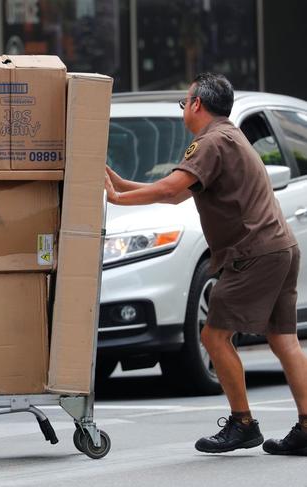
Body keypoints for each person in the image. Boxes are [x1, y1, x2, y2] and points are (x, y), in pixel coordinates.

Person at [104, 72, 307, 455]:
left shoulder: (211, 142)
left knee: (214, 336)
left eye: (185, 102)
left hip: (253, 253)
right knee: (284, 340)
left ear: (197, 104)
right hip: (280, 247)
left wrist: (116, 200)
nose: (184, 109)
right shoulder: (230, 137)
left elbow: (169, 191)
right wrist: (121, 185)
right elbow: (179, 194)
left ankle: (243, 424)